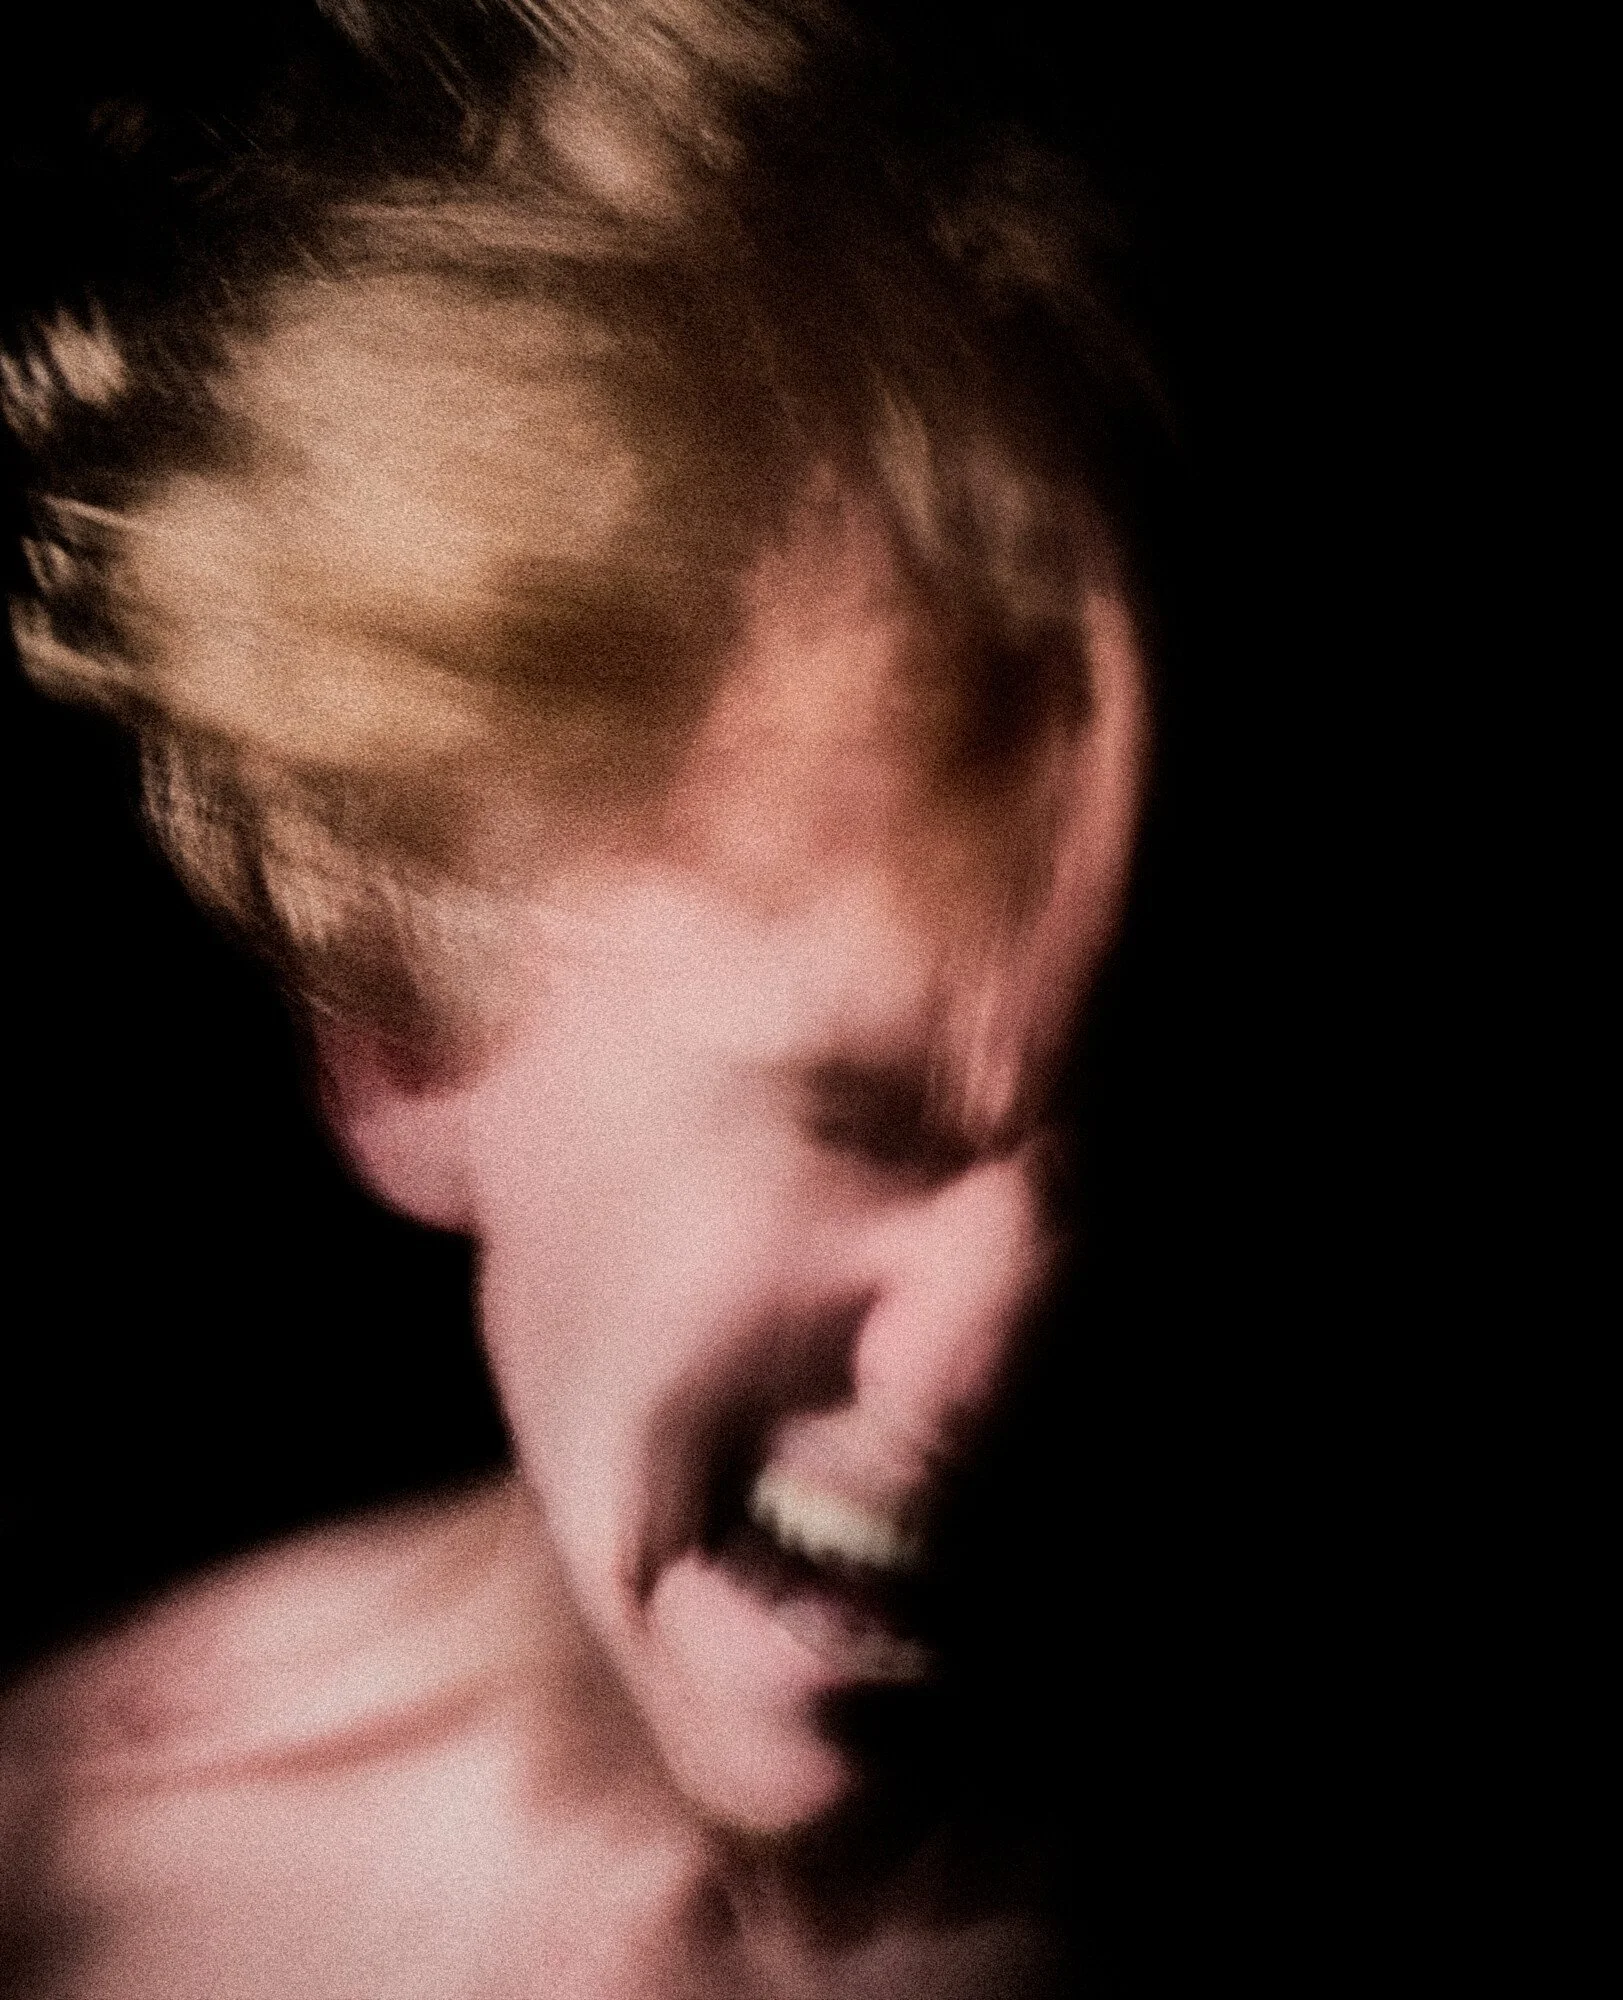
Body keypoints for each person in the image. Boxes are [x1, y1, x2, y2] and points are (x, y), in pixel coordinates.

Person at [0, 2, 1164, 1991]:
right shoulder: (71, 1898)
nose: (988, 1350)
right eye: (858, 1119)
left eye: (1148, 1145)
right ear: (404, 1020)